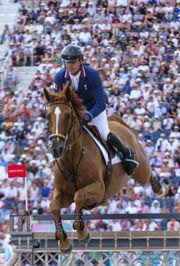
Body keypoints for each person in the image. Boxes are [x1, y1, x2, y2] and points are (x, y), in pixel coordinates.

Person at [53, 44, 138, 175]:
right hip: (75, 111)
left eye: (73, 62)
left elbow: (101, 103)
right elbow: (60, 103)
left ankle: (127, 153)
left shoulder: (92, 75)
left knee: (104, 133)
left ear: (81, 61)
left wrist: (89, 115)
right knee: (60, 134)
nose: (70, 65)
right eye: (67, 62)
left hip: (94, 107)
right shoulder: (59, 77)